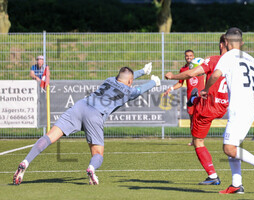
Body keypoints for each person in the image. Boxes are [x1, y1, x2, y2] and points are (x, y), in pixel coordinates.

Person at [13, 63, 160, 185]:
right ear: (130, 81)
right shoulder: (129, 91)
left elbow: (126, 78)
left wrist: (143, 71)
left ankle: (26, 162)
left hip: (80, 107)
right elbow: (140, 89)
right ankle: (91, 168)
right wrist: (154, 81)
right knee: (98, 154)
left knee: (50, 136)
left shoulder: (109, 79)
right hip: (95, 115)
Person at [200, 27, 254, 194]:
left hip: (240, 109)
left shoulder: (228, 57)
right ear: (242, 42)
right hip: (248, 107)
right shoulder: (251, 59)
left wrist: (205, 89)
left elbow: (215, 75)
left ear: (226, 42)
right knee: (233, 145)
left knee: (229, 148)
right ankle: (236, 184)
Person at [164, 34, 228, 185]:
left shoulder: (213, 60)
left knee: (197, 141)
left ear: (221, 45)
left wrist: (172, 76)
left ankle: (213, 176)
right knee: (231, 146)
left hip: (208, 106)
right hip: (224, 105)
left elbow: (191, 73)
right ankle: (195, 99)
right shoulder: (237, 62)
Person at [163, 49, 205, 146]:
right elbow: (180, 83)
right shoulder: (183, 70)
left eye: (191, 55)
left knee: (199, 118)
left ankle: (199, 139)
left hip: (200, 96)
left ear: (194, 56)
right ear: (185, 57)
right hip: (191, 98)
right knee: (192, 118)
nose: (189, 57)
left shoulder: (200, 67)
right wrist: (171, 88)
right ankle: (194, 140)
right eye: (187, 56)